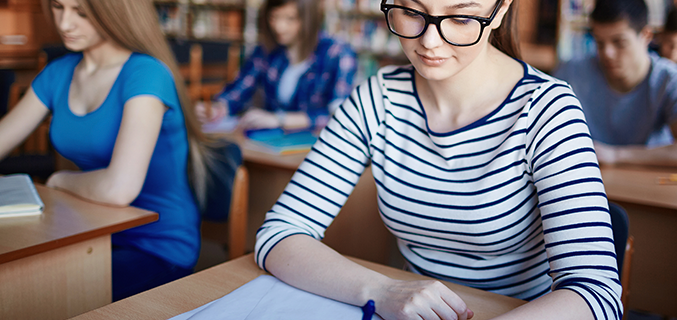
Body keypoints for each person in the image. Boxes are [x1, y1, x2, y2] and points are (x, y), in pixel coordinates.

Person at [255, 0, 622, 319]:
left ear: (500, 10)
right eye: (412, 12)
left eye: (461, 19)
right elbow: (280, 233)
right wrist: (381, 291)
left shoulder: (547, 110)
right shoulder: (376, 98)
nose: (429, 42)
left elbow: (595, 294)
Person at [0, 0, 213, 301]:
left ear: (114, 12)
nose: (64, 24)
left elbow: (119, 189)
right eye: (59, 7)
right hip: (92, 232)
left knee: (35, 296)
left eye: (82, 13)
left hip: (158, 245)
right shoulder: (58, 73)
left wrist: (58, 180)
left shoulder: (146, 73)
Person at [553, 0, 677, 169]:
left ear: (646, 36)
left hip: (646, 188)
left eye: (619, 43)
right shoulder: (570, 73)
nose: (607, 53)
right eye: (599, 42)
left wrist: (614, 155)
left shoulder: (674, 81)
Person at [197, 0, 357, 131]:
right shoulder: (265, 50)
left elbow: (340, 117)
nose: (279, 27)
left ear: (309, 18)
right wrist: (218, 109)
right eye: (274, 17)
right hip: (268, 144)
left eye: (290, 18)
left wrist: (279, 119)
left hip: (319, 148)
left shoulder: (339, 53)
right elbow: (238, 91)